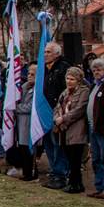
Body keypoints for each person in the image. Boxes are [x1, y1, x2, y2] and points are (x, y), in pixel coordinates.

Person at [40, 42, 71, 189]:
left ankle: (60, 174)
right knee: (49, 145)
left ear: (57, 54)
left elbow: (65, 93)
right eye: (45, 52)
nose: (45, 54)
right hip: (45, 113)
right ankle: (54, 172)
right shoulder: (45, 69)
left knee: (58, 145)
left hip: (56, 113)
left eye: (48, 52)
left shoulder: (63, 68)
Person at [53, 66, 88, 194]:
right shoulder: (65, 92)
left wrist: (63, 118)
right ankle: (75, 182)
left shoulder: (84, 91)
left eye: (72, 79)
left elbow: (79, 110)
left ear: (78, 80)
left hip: (76, 129)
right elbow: (58, 107)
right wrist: (57, 118)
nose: (69, 81)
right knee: (69, 157)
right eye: (67, 78)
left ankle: (75, 183)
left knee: (75, 159)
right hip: (64, 130)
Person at [86, 57, 104, 199]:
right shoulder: (94, 85)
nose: (96, 72)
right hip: (92, 128)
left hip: (103, 129)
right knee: (95, 159)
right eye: (94, 69)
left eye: (99, 69)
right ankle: (99, 186)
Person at [13, 63, 37, 181]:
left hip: (29, 123)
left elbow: (30, 107)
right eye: (28, 73)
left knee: (29, 149)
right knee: (22, 147)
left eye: (33, 74)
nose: (29, 76)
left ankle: (30, 172)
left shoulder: (37, 90)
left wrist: (16, 108)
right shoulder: (23, 87)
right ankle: (25, 171)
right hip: (20, 122)